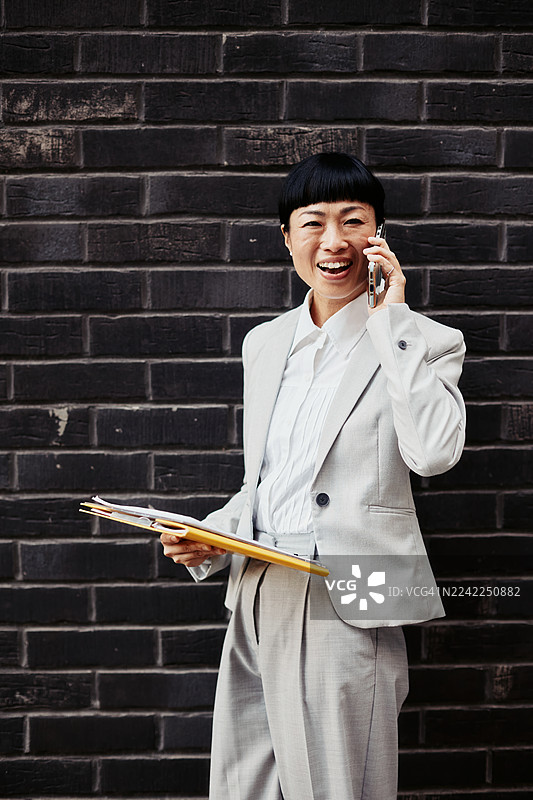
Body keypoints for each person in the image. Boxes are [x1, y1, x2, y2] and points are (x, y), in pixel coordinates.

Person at [160, 152, 466, 800]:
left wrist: (390, 324)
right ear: (286, 238)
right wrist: (210, 535)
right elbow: (270, 480)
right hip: (254, 590)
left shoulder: (424, 341)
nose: (333, 242)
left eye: (352, 221)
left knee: (335, 790)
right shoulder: (266, 342)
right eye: (312, 223)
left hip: (346, 598)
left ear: (378, 234)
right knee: (244, 789)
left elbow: (434, 454)